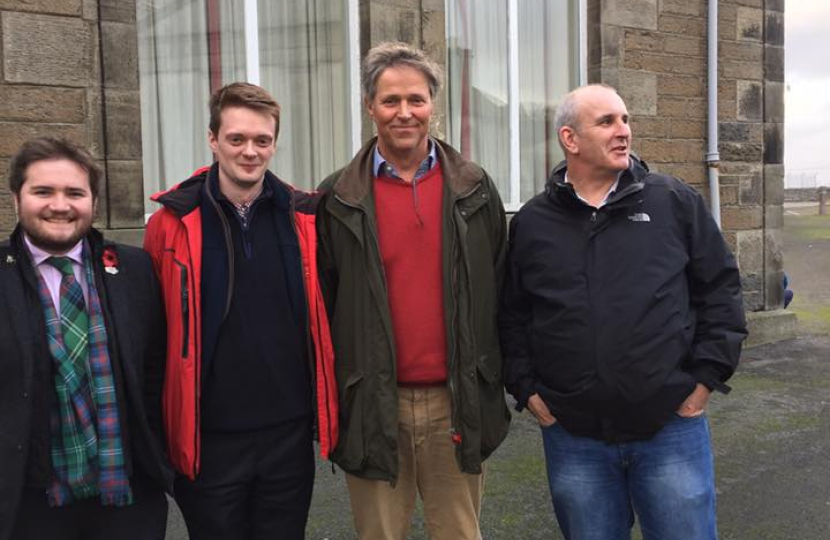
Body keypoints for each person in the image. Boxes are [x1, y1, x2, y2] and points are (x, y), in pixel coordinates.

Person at [499, 84, 747, 540]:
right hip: (574, 435)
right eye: (607, 122)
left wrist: (705, 381)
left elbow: (720, 290)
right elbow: (514, 312)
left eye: (626, 119)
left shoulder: (673, 202)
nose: (623, 132)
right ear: (570, 139)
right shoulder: (534, 222)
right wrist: (527, 388)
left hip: (670, 427)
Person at [317, 42, 511, 540]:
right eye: (390, 101)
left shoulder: (474, 189)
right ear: (369, 107)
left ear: (433, 105)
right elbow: (325, 298)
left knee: (460, 534)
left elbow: (499, 285)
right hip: (372, 403)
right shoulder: (337, 197)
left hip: (457, 401)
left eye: (416, 100)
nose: (404, 113)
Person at [143, 82, 337, 540]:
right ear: (213, 140)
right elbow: (153, 335)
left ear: (273, 142)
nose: (249, 152)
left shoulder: (305, 217)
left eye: (262, 140)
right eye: (236, 139)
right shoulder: (170, 223)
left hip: (287, 436)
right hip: (208, 440)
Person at [0, 137, 172, 540]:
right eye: (43, 191)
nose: (59, 205)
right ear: (15, 199)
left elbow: (154, 371)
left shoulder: (133, 269)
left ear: (93, 202)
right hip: (29, 503)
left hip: (128, 495)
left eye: (74, 193)